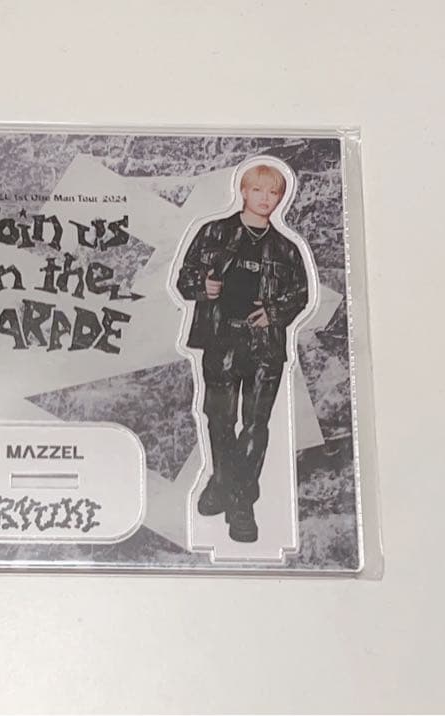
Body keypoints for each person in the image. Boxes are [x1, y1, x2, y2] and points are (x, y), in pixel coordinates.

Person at [175, 162, 310, 542]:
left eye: (274, 192)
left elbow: (301, 293)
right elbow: (184, 279)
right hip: (220, 339)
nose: (266, 198)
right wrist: (203, 287)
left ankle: (239, 502)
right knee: (219, 419)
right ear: (244, 191)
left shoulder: (286, 249)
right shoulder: (214, 232)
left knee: (255, 424)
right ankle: (222, 481)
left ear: (281, 198)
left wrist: (274, 313)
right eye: (258, 190)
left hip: (265, 348)